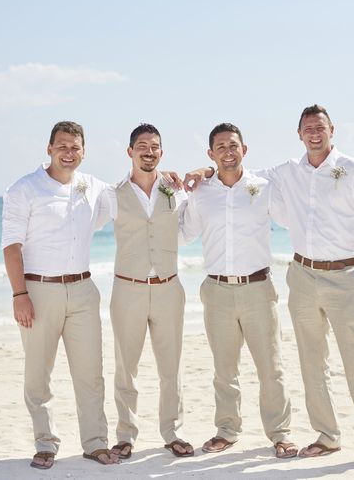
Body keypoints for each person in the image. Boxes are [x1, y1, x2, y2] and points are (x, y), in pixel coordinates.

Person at [184, 105, 354, 472]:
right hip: (301, 276)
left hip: (345, 276)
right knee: (313, 364)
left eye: (320, 127)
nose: (314, 133)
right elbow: (233, 173)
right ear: (299, 134)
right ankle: (328, 437)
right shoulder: (285, 173)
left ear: (332, 130)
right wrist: (203, 172)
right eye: (308, 128)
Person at [2, 121, 117, 469]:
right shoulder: (24, 189)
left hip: (83, 289)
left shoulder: (93, 186)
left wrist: (173, 178)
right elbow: (11, 246)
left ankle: (95, 443)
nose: (69, 152)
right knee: (38, 373)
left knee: (90, 372)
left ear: (83, 151)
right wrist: (19, 293)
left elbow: (132, 192)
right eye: (62, 146)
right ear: (49, 148)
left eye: (75, 147)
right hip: (38, 290)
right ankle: (45, 443)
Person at [180, 123, 298, 459]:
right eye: (220, 147)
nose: (228, 152)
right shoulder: (201, 192)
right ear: (210, 154)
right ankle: (227, 431)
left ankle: (281, 433)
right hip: (216, 290)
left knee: (270, 367)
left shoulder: (263, 186)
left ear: (244, 149)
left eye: (233, 146)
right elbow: (184, 233)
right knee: (224, 368)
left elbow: (293, 221)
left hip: (258, 288)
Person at [106, 123, 194, 459]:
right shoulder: (111, 194)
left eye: (155, 146)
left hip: (169, 288)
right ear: (130, 152)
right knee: (126, 366)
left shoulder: (175, 190)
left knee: (170, 366)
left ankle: (173, 433)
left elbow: (190, 225)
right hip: (127, 289)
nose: (149, 151)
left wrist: (202, 171)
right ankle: (126, 435)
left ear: (162, 152)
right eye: (142, 145)